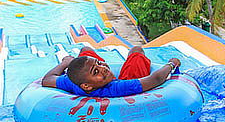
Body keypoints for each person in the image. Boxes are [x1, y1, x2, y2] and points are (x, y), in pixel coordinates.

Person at [42, 46, 181, 97]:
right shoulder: (116, 88)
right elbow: (155, 79)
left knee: (85, 50)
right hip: (124, 81)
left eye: (99, 64)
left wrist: (65, 62)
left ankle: (89, 64)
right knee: (136, 51)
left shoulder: (72, 82)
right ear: (87, 86)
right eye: (96, 71)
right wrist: (171, 64)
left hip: (94, 81)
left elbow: (46, 80)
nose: (103, 67)